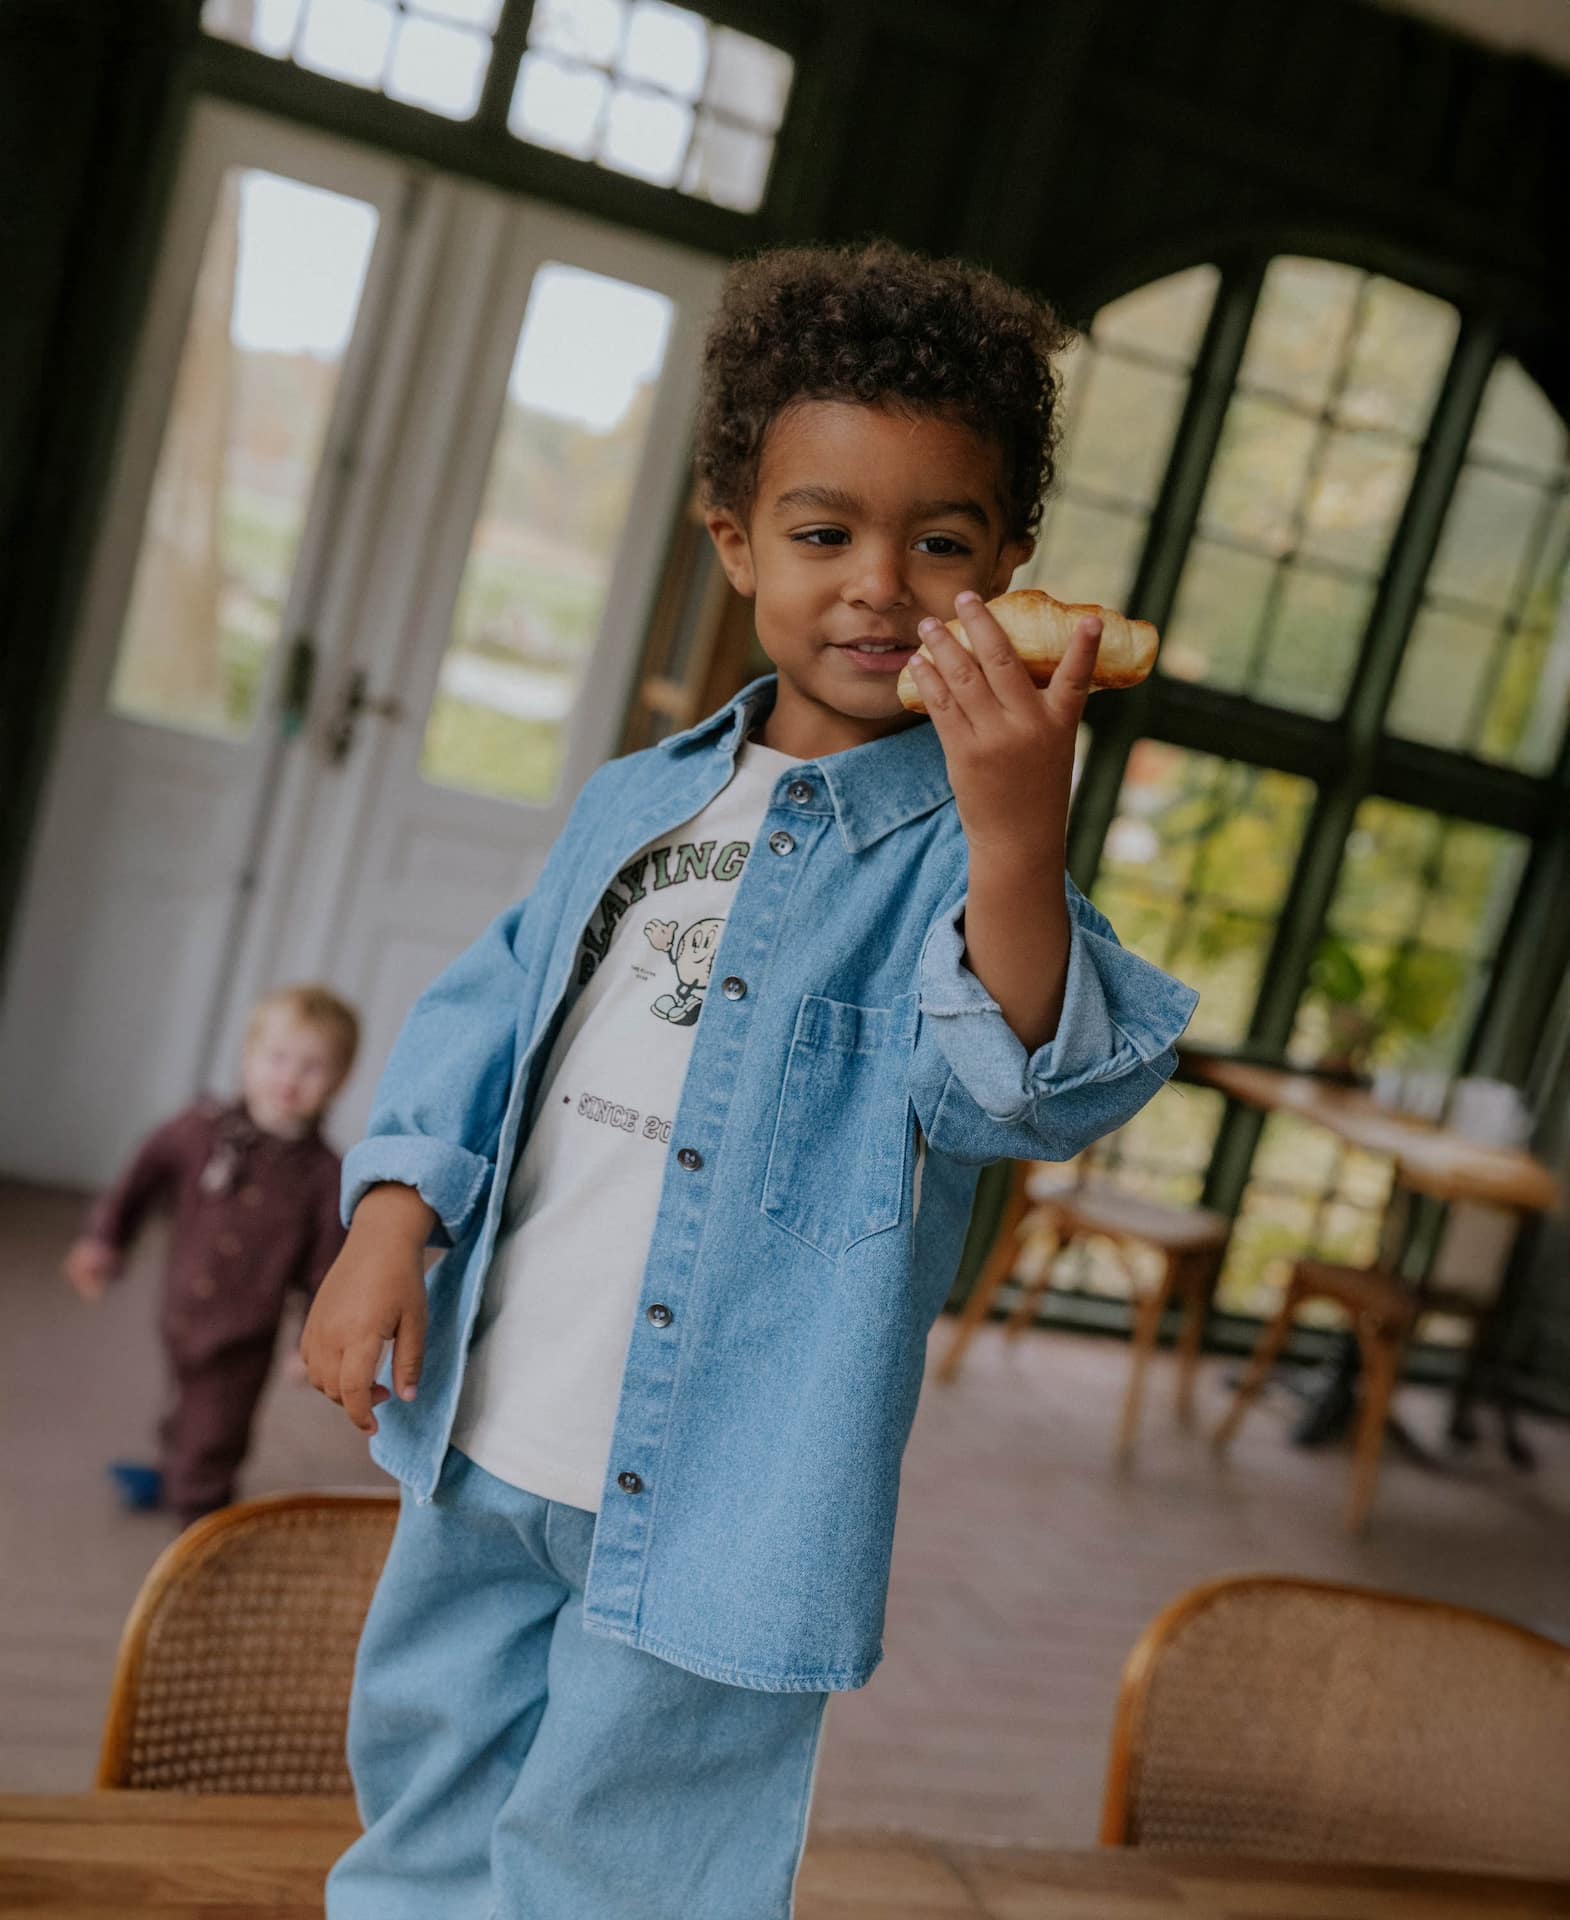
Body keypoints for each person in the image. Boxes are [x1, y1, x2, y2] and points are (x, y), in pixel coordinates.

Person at [303, 240, 1199, 1920]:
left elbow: (1018, 1092)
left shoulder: (962, 864)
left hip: (731, 1496)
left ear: (1010, 569)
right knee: (422, 1813)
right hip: (494, 1427)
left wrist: (1017, 837)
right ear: (733, 541)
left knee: (624, 1873)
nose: (881, 587)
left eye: (941, 544)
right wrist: (390, 1218)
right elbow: (484, 1013)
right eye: (824, 533)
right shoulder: (634, 802)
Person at [64, 984, 359, 1527]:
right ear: (248, 1057)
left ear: (339, 1081)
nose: (290, 1077)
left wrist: (310, 1343)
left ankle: (202, 1515)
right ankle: (172, 1470)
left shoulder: (326, 1175)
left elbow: (327, 1268)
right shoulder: (199, 1129)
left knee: (216, 1426)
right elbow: (139, 1179)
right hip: (180, 1310)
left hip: (243, 1334)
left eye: (312, 1067)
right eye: (277, 1058)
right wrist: (104, 1240)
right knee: (183, 1403)